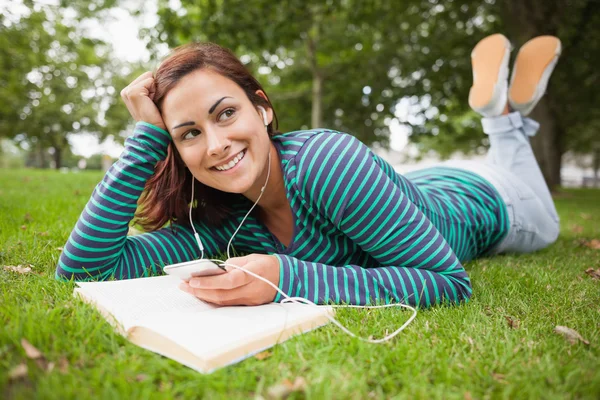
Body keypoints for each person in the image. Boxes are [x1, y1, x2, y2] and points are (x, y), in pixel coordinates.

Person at [56, 34, 561, 308]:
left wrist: (287, 277)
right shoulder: (219, 222)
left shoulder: (327, 162)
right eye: (188, 133)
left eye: (225, 113)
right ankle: (503, 115)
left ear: (264, 109)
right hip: (426, 183)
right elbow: (86, 269)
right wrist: (145, 141)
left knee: (548, 222)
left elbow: (448, 282)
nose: (216, 145)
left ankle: (501, 123)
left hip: (497, 202)